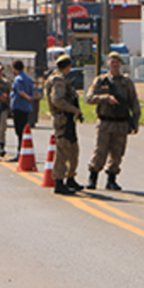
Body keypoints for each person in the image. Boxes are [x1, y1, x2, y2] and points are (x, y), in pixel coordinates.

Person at [84, 51, 140, 191]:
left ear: (121, 64)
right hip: (105, 122)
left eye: (117, 61)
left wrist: (135, 122)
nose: (115, 64)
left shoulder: (127, 82)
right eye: (112, 61)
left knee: (117, 153)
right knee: (100, 151)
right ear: (107, 63)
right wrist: (105, 98)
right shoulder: (100, 80)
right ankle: (93, 178)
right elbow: (89, 98)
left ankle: (112, 180)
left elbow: (134, 103)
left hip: (121, 123)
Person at [44, 54, 84, 195]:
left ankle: (70, 177)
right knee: (63, 150)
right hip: (62, 119)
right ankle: (59, 181)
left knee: (73, 149)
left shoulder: (64, 79)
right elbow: (57, 100)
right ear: (68, 66)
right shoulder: (58, 80)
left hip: (67, 119)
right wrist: (74, 110)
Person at [10, 59, 35, 155]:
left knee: (19, 131)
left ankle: (20, 151)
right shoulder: (28, 78)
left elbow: (20, 91)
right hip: (26, 107)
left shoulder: (18, 79)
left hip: (19, 107)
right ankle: (22, 150)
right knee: (23, 129)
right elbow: (33, 90)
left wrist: (27, 97)